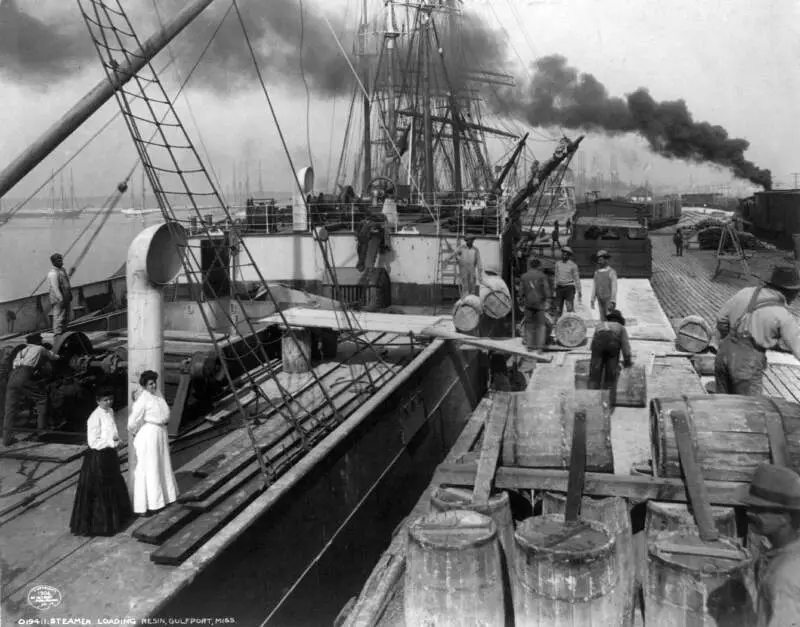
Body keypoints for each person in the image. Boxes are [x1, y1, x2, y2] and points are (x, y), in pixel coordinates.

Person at [715, 265, 800, 396]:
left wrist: (733, 338)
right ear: (791, 292)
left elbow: (721, 319)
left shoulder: (745, 292)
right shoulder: (783, 317)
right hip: (747, 365)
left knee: (723, 404)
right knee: (750, 409)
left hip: (723, 355)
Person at [70, 388, 132, 536]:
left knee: (114, 484)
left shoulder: (110, 411)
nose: (108, 402)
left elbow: (111, 432)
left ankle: (116, 519)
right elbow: (93, 442)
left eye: (110, 399)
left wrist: (117, 439)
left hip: (110, 455)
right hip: (98, 458)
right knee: (101, 489)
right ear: (98, 401)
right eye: (105, 400)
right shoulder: (94, 417)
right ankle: (101, 526)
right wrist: (111, 442)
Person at [745, 463, 800, 626]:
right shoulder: (783, 554)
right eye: (750, 506)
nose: (749, 513)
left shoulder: (785, 576)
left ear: (785, 517)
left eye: (759, 509)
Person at [127, 370, 178, 515]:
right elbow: (131, 423)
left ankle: (164, 498)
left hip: (160, 434)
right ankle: (149, 504)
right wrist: (137, 433)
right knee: (150, 468)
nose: (153, 385)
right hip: (149, 435)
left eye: (154, 382)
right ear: (144, 385)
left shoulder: (158, 395)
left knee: (162, 465)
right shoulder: (142, 399)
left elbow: (165, 413)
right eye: (150, 383)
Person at [2, 333, 59, 446]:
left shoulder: (21, 351)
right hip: (24, 376)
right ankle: (41, 431)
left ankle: (7, 440)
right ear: (38, 341)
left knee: (10, 410)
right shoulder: (40, 348)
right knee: (42, 400)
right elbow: (54, 357)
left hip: (12, 378)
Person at [588, 309, 633, 406]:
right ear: (618, 320)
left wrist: (596, 359)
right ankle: (606, 402)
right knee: (610, 374)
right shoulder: (620, 327)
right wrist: (627, 361)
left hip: (598, 344)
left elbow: (592, 346)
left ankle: (591, 401)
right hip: (612, 344)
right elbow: (625, 347)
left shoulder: (600, 325)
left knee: (594, 374)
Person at [520, 257, 551, 351]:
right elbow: (546, 291)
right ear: (538, 266)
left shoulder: (524, 276)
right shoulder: (542, 276)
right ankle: (540, 348)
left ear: (530, 266)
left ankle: (529, 347)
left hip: (528, 304)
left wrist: (522, 300)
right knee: (541, 326)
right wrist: (548, 299)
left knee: (528, 325)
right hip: (540, 304)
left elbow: (521, 292)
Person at [48, 253, 72, 337]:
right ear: (53, 262)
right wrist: (60, 298)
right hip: (59, 299)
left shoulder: (62, 270)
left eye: (61, 260)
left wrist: (69, 295)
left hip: (66, 297)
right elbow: (55, 287)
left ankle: (64, 332)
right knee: (59, 317)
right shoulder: (53, 273)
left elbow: (67, 283)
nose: (61, 261)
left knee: (66, 316)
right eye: (58, 260)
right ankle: (58, 334)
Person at [553, 246, 582, 316]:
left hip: (569, 288)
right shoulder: (558, 264)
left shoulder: (573, 265)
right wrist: (554, 288)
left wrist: (579, 291)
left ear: (569, 256)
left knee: (569, 309)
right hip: (559, 288)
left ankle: (570, 324)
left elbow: (577, 278)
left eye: (566, 254)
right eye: (563, 253)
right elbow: (556, 276)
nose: (564, 255)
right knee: (557, 309)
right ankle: (557, 324)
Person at [590, 250, 617, 322]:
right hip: (600, 299)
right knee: (602, 318)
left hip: (608, 299)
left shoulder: (611, 272)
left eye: (601, 260)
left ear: (606, 260)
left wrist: (613, 300)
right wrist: (592, 298)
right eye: (598, 260)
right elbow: (595, 286)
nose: (599, 262)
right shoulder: (597, 273)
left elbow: (614, 287)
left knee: (609, 318)